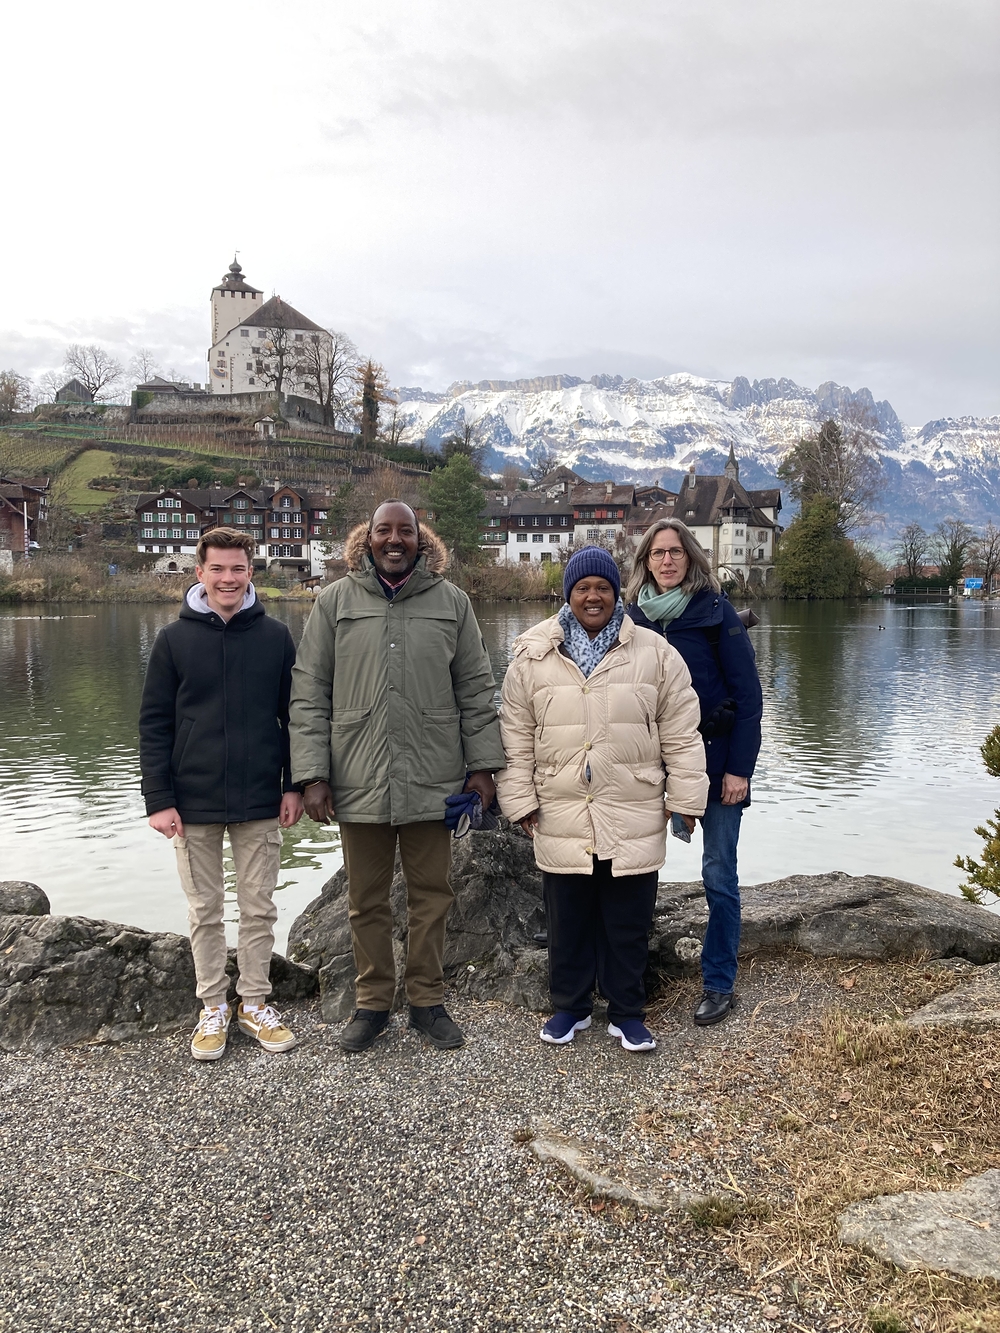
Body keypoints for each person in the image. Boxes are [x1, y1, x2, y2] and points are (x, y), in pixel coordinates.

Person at [288, 501, 505, 1053]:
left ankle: (428, 1001)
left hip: (435, 775)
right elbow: (309, 691)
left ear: (419, 540)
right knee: (366, 900)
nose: (393, 539)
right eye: (383, 530)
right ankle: (373, 1004)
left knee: (432, 895)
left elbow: (476, 689)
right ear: (368, 539)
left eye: (404, 531)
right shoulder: (335, 601)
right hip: (356, 774)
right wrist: (312, 774)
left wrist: (483, 769)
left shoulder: (452, 603)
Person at [496, 546, 707, 1053]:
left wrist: (685, 799)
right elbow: (514, 735)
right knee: (567, 916)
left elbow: (682, 734)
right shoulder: (532, 654)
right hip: (560, 804)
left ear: (617, 594)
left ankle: (627, 1011)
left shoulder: (656, 653)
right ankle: (569, 1006)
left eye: (603, 588)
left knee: (627, 918)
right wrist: (519, 799)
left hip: (632, 804)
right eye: (583, 588)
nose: (593, 597)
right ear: (567, 594)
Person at [139, 528, 303, 1061]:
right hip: (191, 800)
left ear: (251, 572)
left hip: (260, 798)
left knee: (258, 908)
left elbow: (295, 719)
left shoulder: (276, 637)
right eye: (217, 569)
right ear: (200, 573)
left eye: (237, 569)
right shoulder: (173, 640)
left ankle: (254, 1002)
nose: (227, 579)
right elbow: (155, 724)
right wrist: (159, 798)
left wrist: (294, 785)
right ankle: (212, 1006)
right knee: (204, 910)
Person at [625, 519, 763, 1026]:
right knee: (634, 871)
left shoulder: (715, 611)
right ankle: (627, 979)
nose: (667, 561)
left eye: (676, 552)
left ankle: (718, 982)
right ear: (645, 561)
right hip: (650, 769)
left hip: (717, 763)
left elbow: (749, 698)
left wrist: (739, 771)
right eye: (657, 553)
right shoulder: (632, 619)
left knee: (719, 876)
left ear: (691, 559)